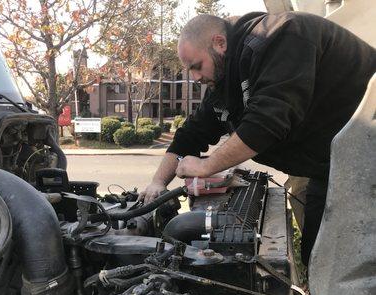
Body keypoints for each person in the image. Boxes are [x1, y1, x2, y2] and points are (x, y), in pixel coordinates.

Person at [139, 12, 376, 266]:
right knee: (318, 259)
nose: (195, 77)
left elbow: (267, 121)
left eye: (196, 66)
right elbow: (191, 134)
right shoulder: (224, 82)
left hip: (366, 162)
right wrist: (157, 183)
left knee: (351, 267)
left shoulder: (281, 35)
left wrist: (205, 166)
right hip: (332, 169)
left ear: (220, 43)